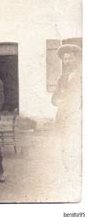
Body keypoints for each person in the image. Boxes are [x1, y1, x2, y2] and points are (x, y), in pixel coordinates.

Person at [51, 44, 82, 183]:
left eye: (70, 58)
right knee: (65, 146)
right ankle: (68, 174)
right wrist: (58, 101)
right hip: (63, 117)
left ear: (76, 59)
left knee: (78, 145)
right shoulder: (62, 77)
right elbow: (54, 97)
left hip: (78, 118)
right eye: (65, 59)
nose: (67, 61)